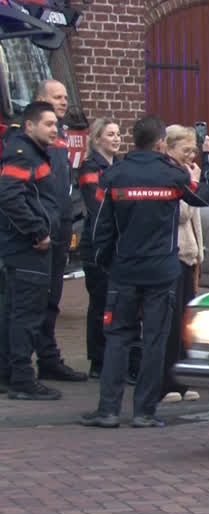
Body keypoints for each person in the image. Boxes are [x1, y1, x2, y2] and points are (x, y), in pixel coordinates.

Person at [79, 114, 209, 428]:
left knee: (118, 338)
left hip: (124, 271)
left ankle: (108, 410)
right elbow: (205, 196)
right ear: (160, 143)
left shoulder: (114, 175)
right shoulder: (172, 175)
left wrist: (106, 263)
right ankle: (144, 412)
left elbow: (100, 227)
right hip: (162, 273)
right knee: (155, 340)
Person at [0, 101, 62, 400]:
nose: (55, 129)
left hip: (25, 246)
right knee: (26, 315)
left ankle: (8, 374)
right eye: (48, 124)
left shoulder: (33, 153)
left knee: (16, 312)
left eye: (56, 124)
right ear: (29, 126)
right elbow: (9, 196)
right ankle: (23, 380)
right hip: (27, 247)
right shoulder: (22, 154)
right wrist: (37, 231)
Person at [33, 80, 86, 382]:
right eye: (57, 97)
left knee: (53, 296)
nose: (64, 101)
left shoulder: (61, 134)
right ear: (41, 99)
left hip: (62, 222)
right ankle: (20, 365)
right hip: (46, 225)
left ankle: (48, 358)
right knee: (36, 299)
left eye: (66, 97)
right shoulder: (33, 138)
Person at [161, 124, 209, 404]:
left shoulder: (185, 173)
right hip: (174, 255)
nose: (191, 156)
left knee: (185, 322)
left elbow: (198, 218)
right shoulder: (170, 176)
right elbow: (181, 214)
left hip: (189, 255)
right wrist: (193, 181)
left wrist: (199, 255)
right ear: (169, 149)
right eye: (185, 150)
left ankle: (183, 381)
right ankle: (167, 381)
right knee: (170, 324)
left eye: (193, 151)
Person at [78, 117, 122, 378]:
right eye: (110, 134)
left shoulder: (119, 166)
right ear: (97, 139)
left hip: (116, 244)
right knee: (99, 304)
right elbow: (98, 207)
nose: (116, 139)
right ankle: (97, 360)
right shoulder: (90, 167)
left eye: (118, 134)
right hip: (96, 245)